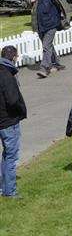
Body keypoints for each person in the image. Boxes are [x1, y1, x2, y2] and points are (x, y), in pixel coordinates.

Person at [29, 0, 70, 78]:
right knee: (49, 46)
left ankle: (44, 68)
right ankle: (56, 63)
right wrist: (30, 1)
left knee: (46, 46)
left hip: (52, 24)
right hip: (40, 25)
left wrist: (64, 18)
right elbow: (26, 4)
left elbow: (64, 4)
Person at [0, 45, 27, 198]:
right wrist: (20, 109)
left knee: (6, 155)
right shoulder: (7, 75)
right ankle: (10, 191)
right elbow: (12, 100)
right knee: (11, 156)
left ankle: (4, 186)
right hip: (8, 121)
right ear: (14, 57)